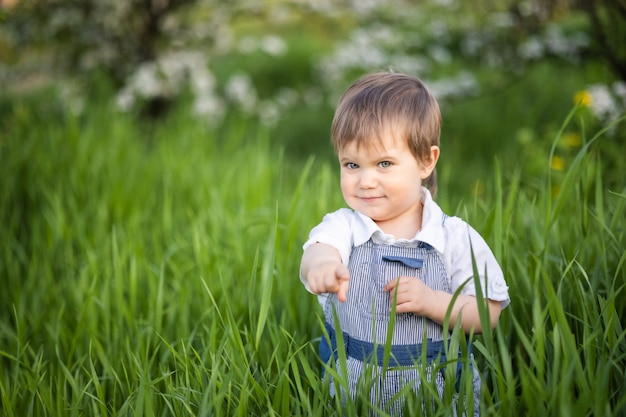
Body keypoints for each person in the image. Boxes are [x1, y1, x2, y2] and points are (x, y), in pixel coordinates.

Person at [299, 71, 510, 416]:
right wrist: (321, 266)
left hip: (439, 394)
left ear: (426, 161)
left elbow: (489, 313)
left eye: (384, 164)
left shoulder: (453, 237)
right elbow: (319, 249)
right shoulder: (346, 226)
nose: (366, 181)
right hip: (356, 392)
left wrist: (433, 301)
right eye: (351, 164)